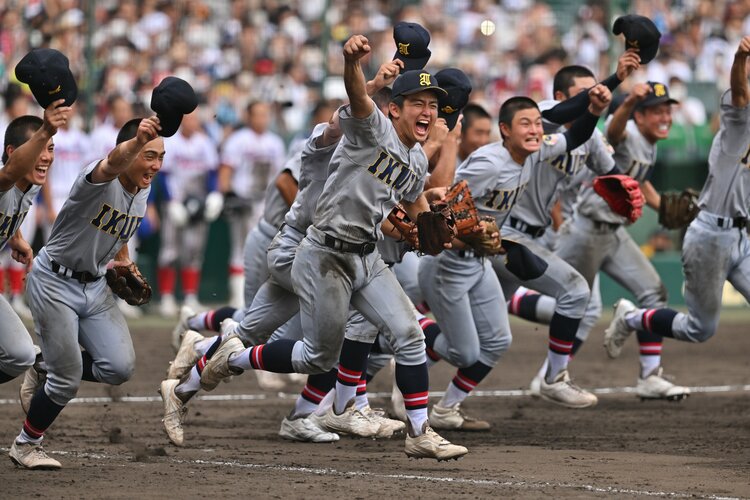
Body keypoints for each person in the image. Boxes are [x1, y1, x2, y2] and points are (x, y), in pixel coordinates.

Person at [199, 35, 468, 460]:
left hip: (365, 256)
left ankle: (416, 431)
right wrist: (352, 64)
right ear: (394, 108)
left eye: (433, 104)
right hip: (317, 250)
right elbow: (357, 98)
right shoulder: (363, 128)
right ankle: (231, 358)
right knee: (315, 354)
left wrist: (432, 225)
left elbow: (415, 197)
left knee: (408, 336)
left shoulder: (414, 159)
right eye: (418, 102)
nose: (429, 111)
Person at [9, 116, 162, 470]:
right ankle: (26, 444)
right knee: (67, 380)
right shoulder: (97, 179)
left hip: (93, 285)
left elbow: (121, 229)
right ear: (132, 150)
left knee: (119, 367)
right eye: (148, 155)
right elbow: (112, 162)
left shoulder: (143, 188)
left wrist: (122, 259)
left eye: (160, 158)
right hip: (54, 282)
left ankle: (44, 364)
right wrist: (136, 140)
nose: (154, 165)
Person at [603, 36, 750, 387]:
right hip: (711, 237)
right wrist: (741, 59)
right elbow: (740, 94)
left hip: (743, 237)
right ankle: (633, 318)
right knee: (700, 329)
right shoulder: (739, 125)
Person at [0, 102, 70, 397]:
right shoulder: (5, 177)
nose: (46, 157)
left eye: (51, 148)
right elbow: (5, 178)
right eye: (39, 146)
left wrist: (14, 236)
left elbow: (10, 204)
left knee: (20, 354)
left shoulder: (30, 185)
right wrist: (46, 129)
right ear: (13, 153)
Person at [218, 101, 286, 309]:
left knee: (268, 249)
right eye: (257, 114)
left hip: (267, 203)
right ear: (248, 116)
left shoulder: (275, 142)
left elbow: (282, 176)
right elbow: (226, 171)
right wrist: (227, 195)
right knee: (241, 249)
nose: (262, 119)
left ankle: (261, 299)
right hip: (243, 200)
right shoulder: (238, 140)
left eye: (265, 115)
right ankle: (238, 298)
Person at [157, 110, 220, 315]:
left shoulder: (204, 142)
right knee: (170, 250)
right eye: (188, 119)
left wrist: (214, 195)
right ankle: (166, 297)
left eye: (194, 119)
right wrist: (170, 201)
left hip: (198, 202)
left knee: (194, 251)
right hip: (175, 201)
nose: (192, 122)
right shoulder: (171, 142)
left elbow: (212, 173)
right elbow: (163, 175)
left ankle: (190, 296)